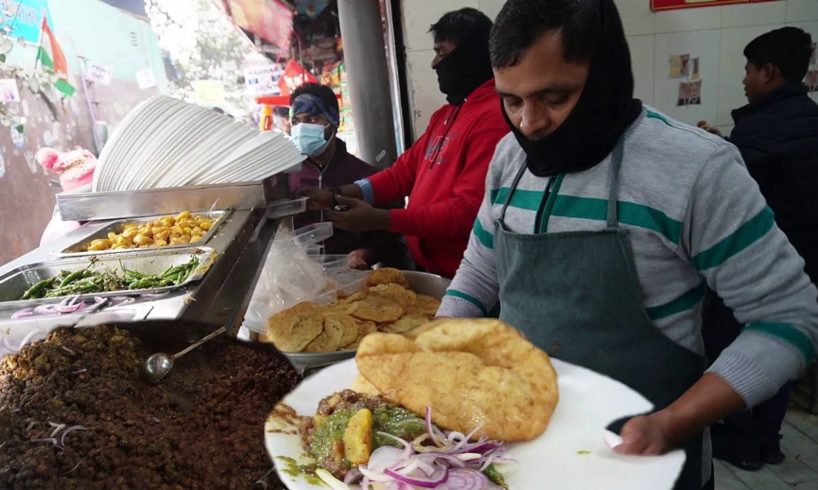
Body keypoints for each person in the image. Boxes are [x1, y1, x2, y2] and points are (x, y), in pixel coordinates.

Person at [435, 2, 818, 489]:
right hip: (525, 462)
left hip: (647, 466)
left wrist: (673, 421)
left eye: (554, 97)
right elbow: (480, 269)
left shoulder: (696, 169)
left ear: (606, 76)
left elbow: (790, 318)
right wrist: (438, 344)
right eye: (512, 101)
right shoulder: (510, 159)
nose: (529, 123)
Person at [303, 8, 509, 278]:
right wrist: (337, 194)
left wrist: (382, 220)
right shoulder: (446, 115)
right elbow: (402, 174)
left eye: (442, 53)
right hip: (434, 267)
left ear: (470, 55)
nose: (434, 63)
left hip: (470, 277)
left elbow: (466, 213)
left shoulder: (493, 118)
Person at [702, 26, 818, 471]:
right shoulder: (809, 120)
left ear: (769, 72)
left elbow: (730, 202)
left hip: (753, 268)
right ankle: (768, 440)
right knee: (783, 348)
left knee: (734, 346)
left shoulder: (760, 132)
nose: (744, 80)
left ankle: (740, 441)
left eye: (748, 70)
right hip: (805, 263)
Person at [287, 82, 408, 269]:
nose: (302, 128)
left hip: (351, 281)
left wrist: (367, 253)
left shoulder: (365, 177)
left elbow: (392, 240)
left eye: (312, 119)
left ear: (334, 121)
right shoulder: (286, 177)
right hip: (300, 283)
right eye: (296, 121)